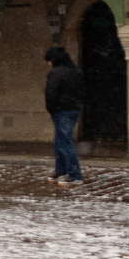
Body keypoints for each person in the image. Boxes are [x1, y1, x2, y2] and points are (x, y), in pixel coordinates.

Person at [44, 46, 85, 186]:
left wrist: (51, 108)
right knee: (60, 141)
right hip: (74, 109)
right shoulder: (76, 72)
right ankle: (60, 171)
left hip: (61, 110)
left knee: (65, 142)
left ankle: (75, 175)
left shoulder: (56, 73)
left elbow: (51, 93)